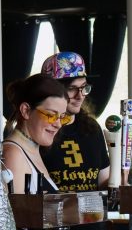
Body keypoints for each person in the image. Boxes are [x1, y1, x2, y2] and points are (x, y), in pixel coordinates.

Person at [40, 52, 110, 192]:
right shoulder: (41, 131)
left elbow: (104, 182)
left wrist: (122, 176)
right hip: (53, 207)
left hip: (92, 207)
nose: (80, 96)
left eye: (84, 87)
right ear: (50, 91)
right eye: (71, 89)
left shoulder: (93, 128)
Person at [2, 73, 69, 195]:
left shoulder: (31, 148)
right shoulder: (13, 155)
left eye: (62, 117)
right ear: (26, 111)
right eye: (50, 115)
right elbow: (16, 207)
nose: (58, 124)